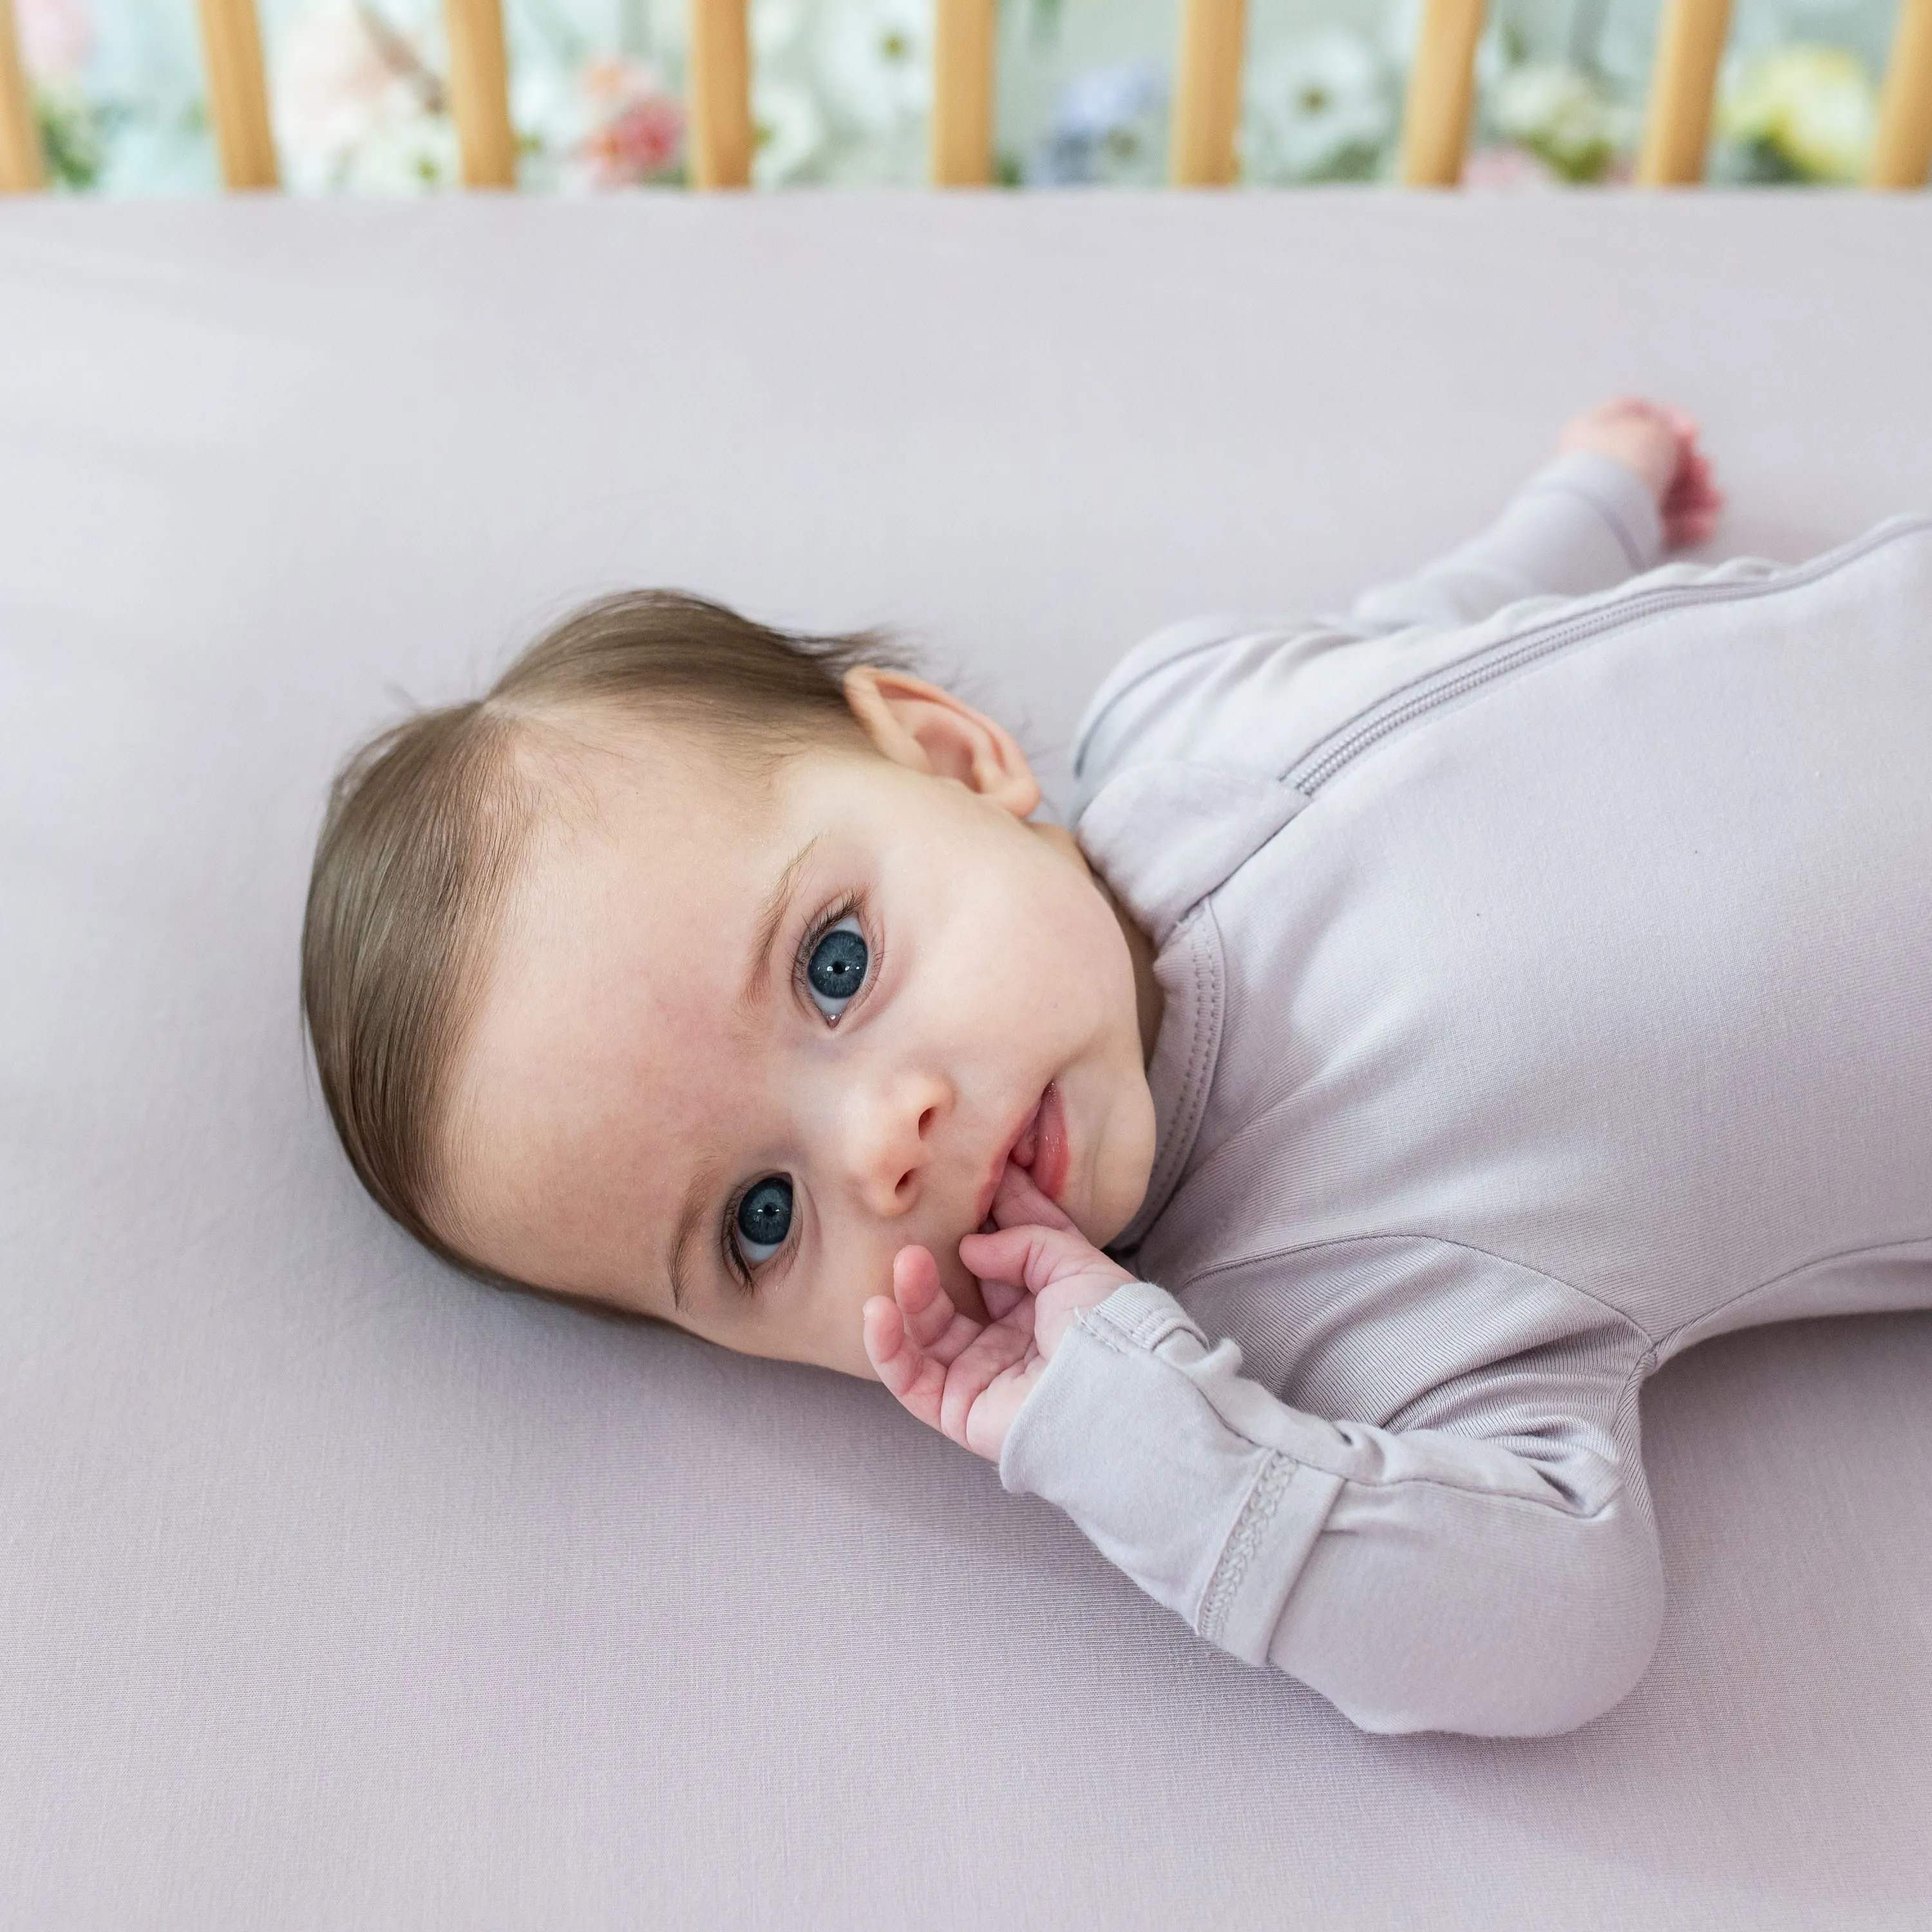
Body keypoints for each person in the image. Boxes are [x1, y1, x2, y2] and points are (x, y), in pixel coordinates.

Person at [301, 397, 1932, 1736]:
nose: (882, 1147)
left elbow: (1426, 637)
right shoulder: (1311, 1313)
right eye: (760, 1222)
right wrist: (1159, 1461)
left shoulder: (1178, 712)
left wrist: (1587, 511)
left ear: (950, 754)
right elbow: (1565, 1621)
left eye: (836, 965)